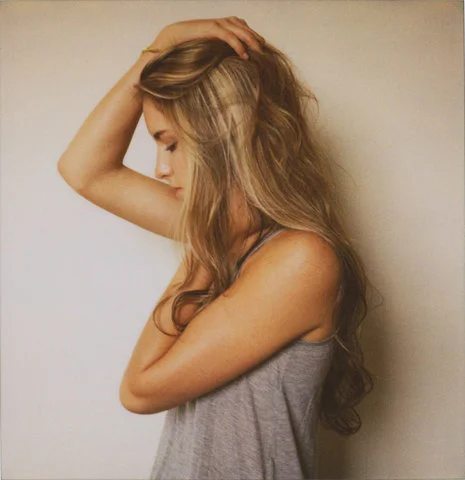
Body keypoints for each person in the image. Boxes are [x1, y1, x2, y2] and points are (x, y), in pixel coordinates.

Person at [57, 16, 374, 480]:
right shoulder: (229, 234)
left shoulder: (300, 258)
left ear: (223, 138)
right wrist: (155, 49)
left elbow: (139, 390)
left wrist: (206, 250)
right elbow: (84, 169)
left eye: (171, 144)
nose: (160, 168)